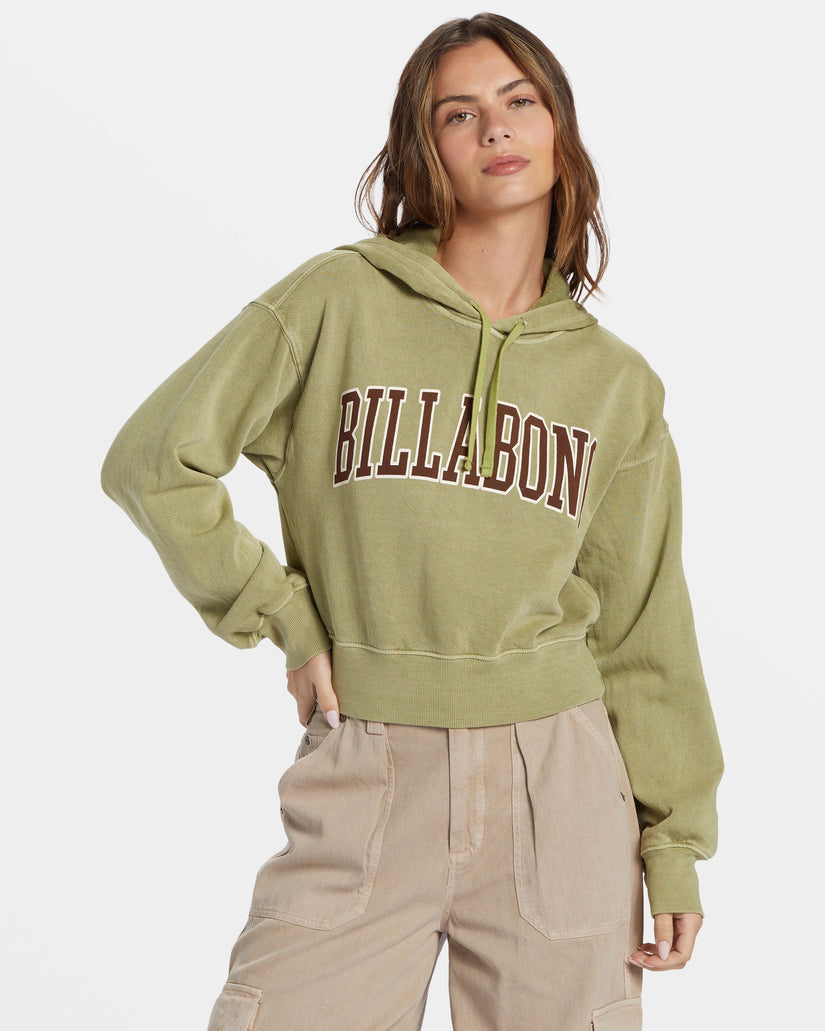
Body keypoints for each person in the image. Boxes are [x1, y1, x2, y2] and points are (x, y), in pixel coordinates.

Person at [100, 12, 724, 1030]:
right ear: (423, 149)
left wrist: (674, 842)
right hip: (366, 762)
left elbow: (644, 624)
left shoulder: (615, 384)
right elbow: (154, 461)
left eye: (519, 101)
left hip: (560, 789)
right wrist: (284, 616)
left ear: (559, 129)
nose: (496, 128)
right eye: (458, 114)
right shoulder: (339, 300)